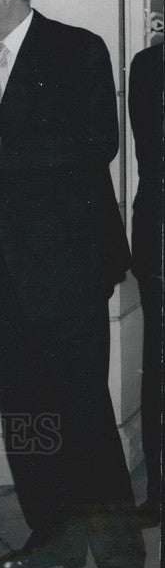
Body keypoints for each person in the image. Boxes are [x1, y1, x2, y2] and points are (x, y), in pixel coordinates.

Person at [0, 0, 146, 568]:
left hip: (67, 269)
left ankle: (122, 565)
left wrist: (1, 147)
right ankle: (54, 535)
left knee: (84, 413)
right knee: (27, 415)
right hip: (3, 277)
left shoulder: (77, 49)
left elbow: (96, 142)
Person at [128, 41, 164, 528]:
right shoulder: (151, 65)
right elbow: (151, 154)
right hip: (160, 234)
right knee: (158, 367)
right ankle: (158, 492)